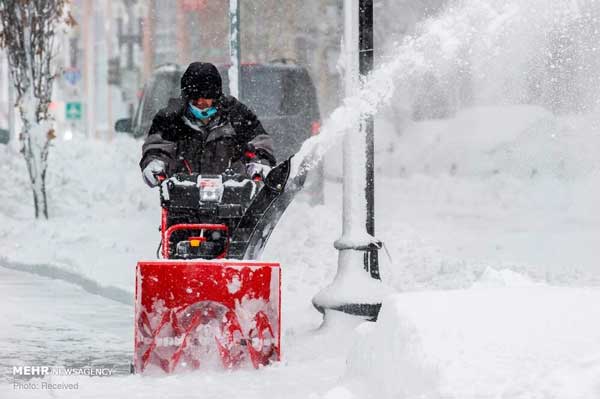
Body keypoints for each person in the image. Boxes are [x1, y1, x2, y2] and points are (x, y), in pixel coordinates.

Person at [140, 62, 276, 187]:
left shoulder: (237, 114)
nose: (200, 102)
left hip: (232, 192)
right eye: (194, 98)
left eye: (205, 98)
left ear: (216, 97)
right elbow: (158, 148)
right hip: (183, 194)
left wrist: (259, 163)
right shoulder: (170, 118)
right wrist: (155, 163)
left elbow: (258, 142)